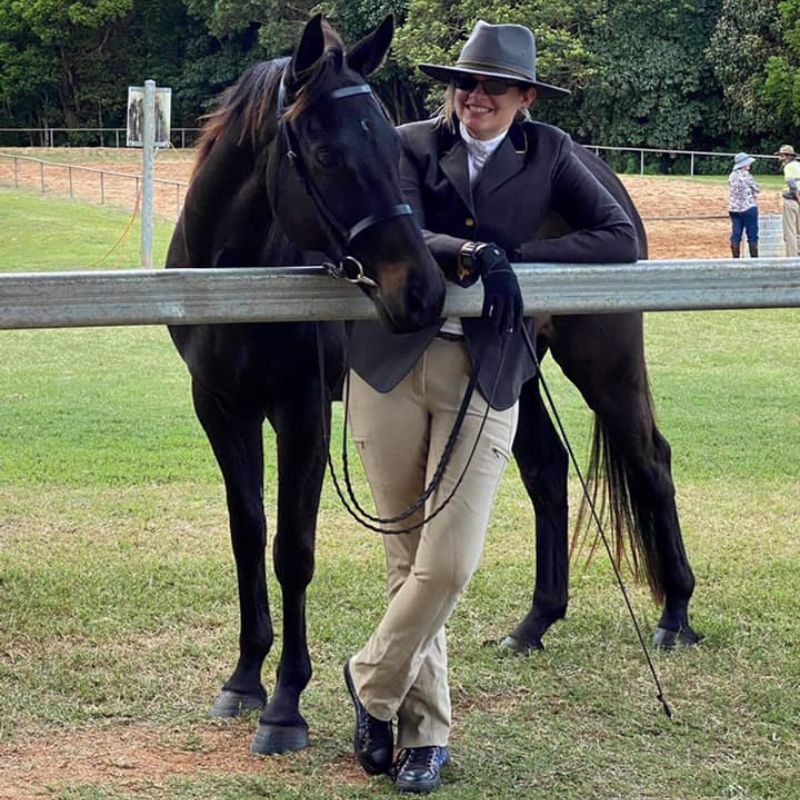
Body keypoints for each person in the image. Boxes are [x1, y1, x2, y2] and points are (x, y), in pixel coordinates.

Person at [343, 20, 639, 794]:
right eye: (464, 83)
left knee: (449, 562)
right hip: (392, 365)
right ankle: (425, 737)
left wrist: (525, 260)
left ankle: (368, 683)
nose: (473, 97)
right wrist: (475, 254)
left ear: (525, 98)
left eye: (493, 87)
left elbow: (617, 237)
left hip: (490, 369)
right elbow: (402, 231)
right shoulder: (409, 144)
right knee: (406, 556)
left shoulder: (550, 153)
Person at [727, 152, 760, 257]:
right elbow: (757, 188)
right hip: (748, 207)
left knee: (736, 233)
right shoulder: (747, 176)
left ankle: (735, 258)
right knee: (752, 235)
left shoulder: (732, 176)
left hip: (734, 208)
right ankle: (754, 259)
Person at [775, 143, 800, 256]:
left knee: (790, 231)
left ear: (787, 156)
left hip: (792, 200)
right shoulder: (798, 165)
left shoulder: (788, 167)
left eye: (781, 155)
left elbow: (792, 184)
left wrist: (798, 198)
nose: (779, 158)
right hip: (797, 200)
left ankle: (792, 257)